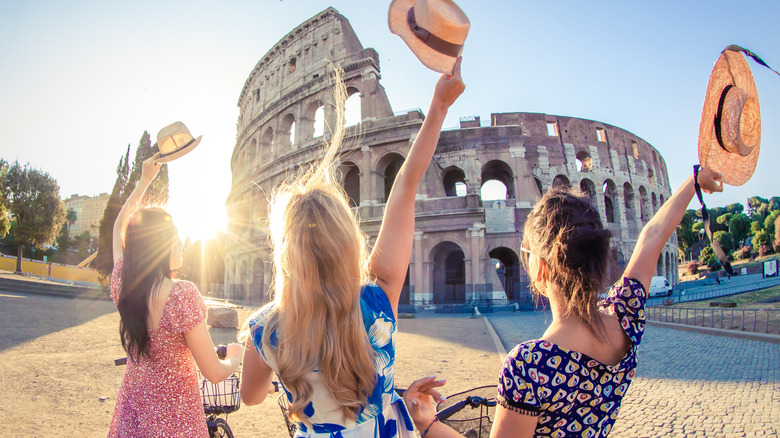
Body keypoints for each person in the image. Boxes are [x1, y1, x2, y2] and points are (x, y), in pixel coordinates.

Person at [403, 167, 724, 437]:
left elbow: (653, 235)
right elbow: (653, 236)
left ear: (540, 267)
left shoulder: (529, 365)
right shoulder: (625, 315)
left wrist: (427, 423)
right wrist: (693, 182)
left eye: (525, 254)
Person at [238, 60, 465, 437]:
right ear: (348, 242)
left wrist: (246, 355)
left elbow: (251, 397)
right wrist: (439, 105)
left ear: (286, 252)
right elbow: (405, 189)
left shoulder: (264, 328)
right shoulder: (377, 300)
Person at [108, 154, 243, 437]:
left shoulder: (123, 282)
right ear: (165, 244)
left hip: (131, 420)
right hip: (176, 424)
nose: (181, 241)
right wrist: (235, 357)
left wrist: (144, 180)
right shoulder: (181, 294)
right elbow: (214, 373)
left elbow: (119, 228)